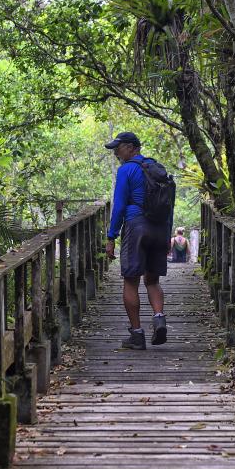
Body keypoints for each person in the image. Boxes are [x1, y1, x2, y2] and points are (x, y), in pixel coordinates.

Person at [104, 131, 170, 350]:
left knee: (131, 280)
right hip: (160, 228)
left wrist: (111, 236)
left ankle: (137, 334)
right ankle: (159, 318)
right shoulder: (157, 168)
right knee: (152, 280)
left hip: (136, 227)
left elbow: (120, 206)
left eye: (118, 147)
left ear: (132, 147)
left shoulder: (127, 170)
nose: (115, 152)